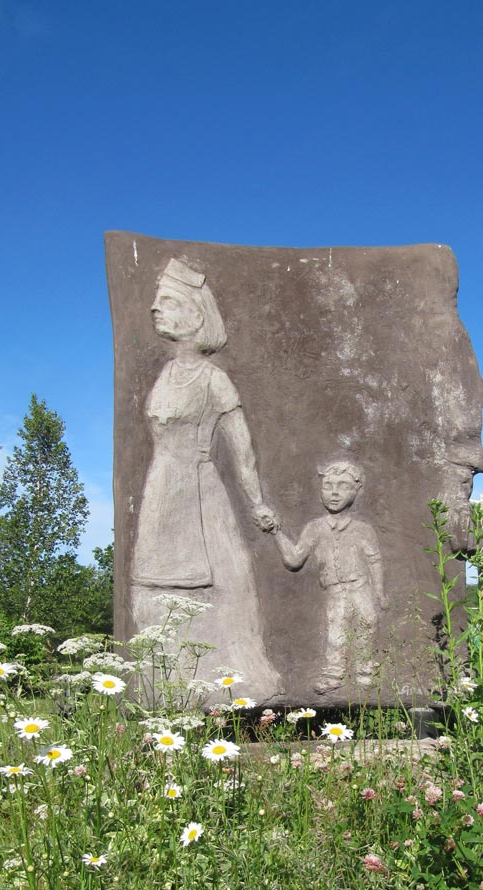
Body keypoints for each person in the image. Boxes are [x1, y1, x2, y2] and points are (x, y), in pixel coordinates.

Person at [131, 256, 281, 698]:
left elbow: (243, 452)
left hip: (198, 497)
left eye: (168, 302)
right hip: (160, 489)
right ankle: (163, 686)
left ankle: (223, 685)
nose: (155, 309)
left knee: (212, 587)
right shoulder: (164, 374)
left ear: (197, 315)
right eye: (155, 301)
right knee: (155, 586)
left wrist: (257, 503)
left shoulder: (215, 380)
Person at [270, 460, 386, 694]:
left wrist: (379, 591)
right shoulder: (315, 528)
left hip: (360, 587)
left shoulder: (364, 529)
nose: (334, 493)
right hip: (334, 590)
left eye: (343, 486)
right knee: (336, 633)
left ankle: (364, 671)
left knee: (367, 625)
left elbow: (375, 561)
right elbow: (293, 559)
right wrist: (276, 532)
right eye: (328, 486)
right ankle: (333, 675)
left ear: (356, 490)